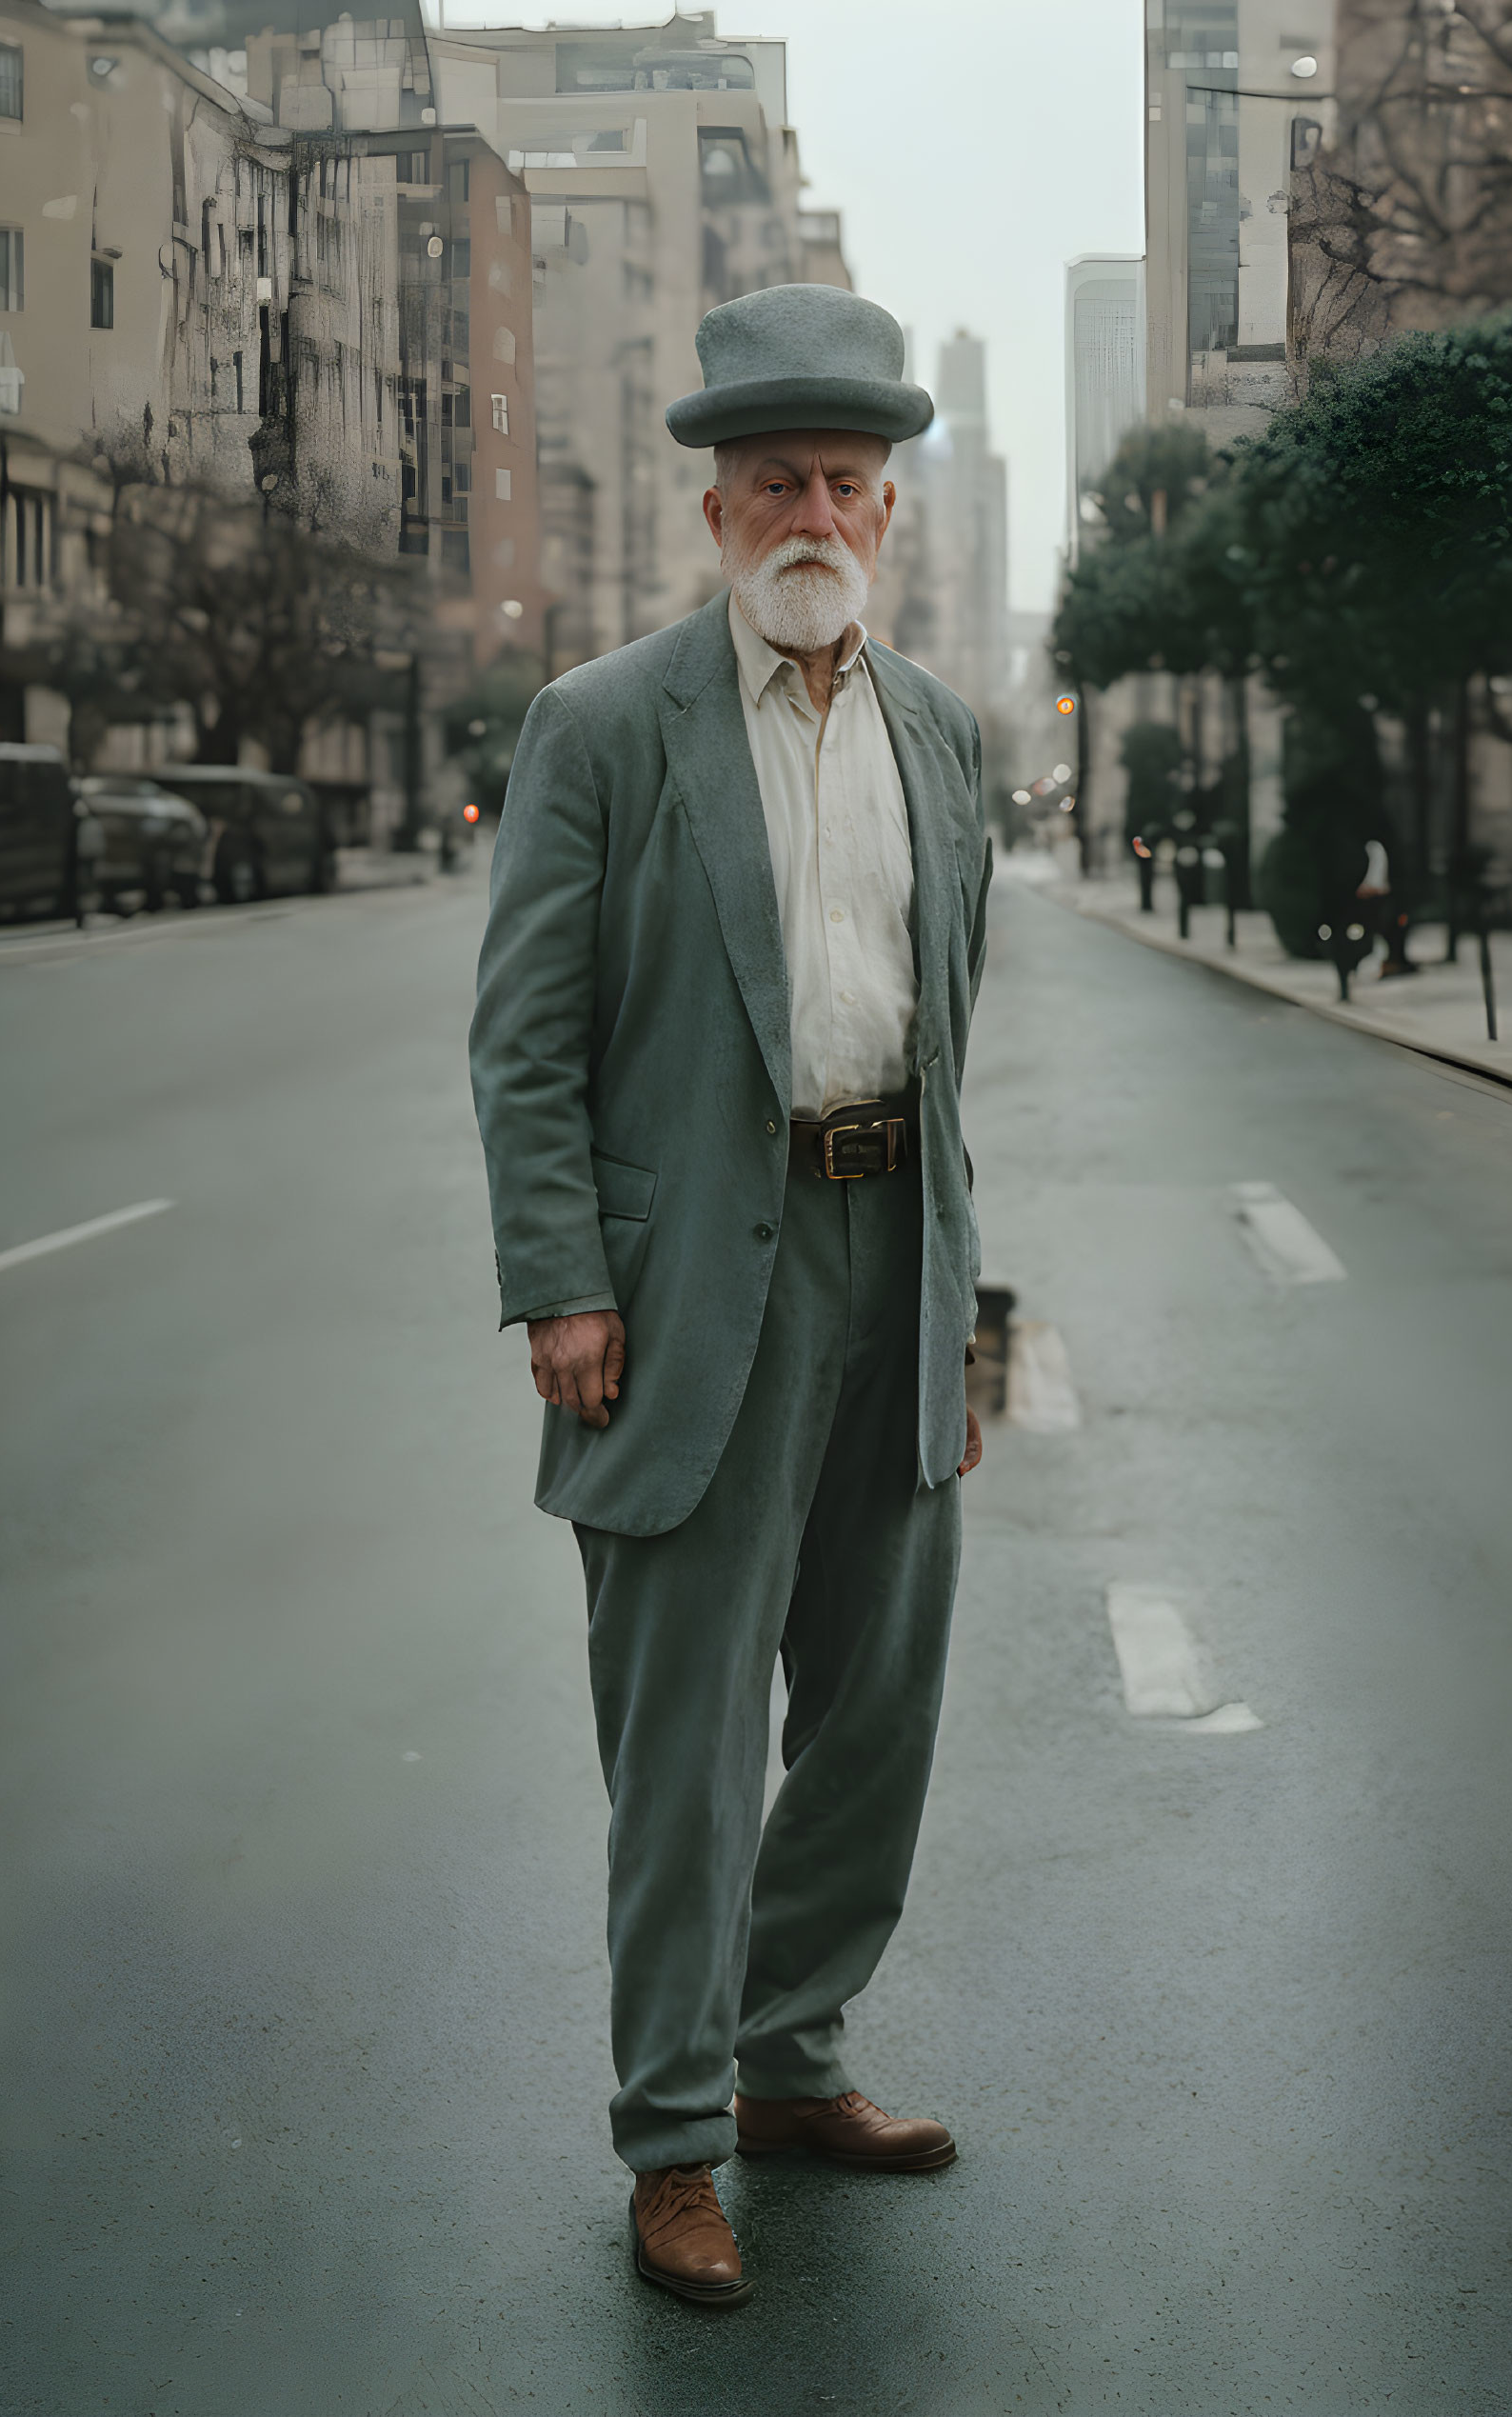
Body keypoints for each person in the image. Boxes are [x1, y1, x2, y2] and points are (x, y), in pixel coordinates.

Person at [468, 285, 992, 2311]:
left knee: (877, 1708)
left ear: (889, 515)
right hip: (694, 1285)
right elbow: (526, 1043)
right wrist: (560, 1285)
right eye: (778, 475)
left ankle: (797, 2065)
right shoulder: (604, 725)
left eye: (851, 481)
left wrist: (972, 1326)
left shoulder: (939, 732)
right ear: (716, 507)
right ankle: (675, 2141)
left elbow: (952, 1049)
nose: (817, 509)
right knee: (686, 1747)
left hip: (897, 1266)